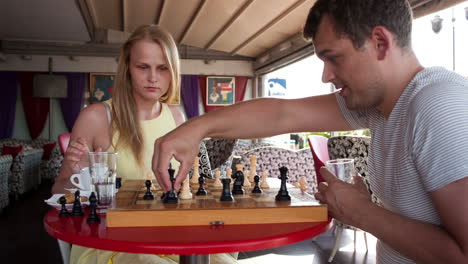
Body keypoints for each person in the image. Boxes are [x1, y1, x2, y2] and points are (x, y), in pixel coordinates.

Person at [152, 1, 468, 263]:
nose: (325, 76)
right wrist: (197, 128)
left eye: (333, 58)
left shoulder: (438, 106)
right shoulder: (379, 104)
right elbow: (282, 113)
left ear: (380, 42)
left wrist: (363, 214)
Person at [52, 25, 237, 264]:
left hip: (168, 235)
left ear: (172, 72)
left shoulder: (177, 116)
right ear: (127, 69)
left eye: (162, 69)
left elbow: (189, 183)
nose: (153, 78)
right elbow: (58, 194)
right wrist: (76, 175)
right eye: (143, 67)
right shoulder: (96, 116)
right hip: (111, 244)